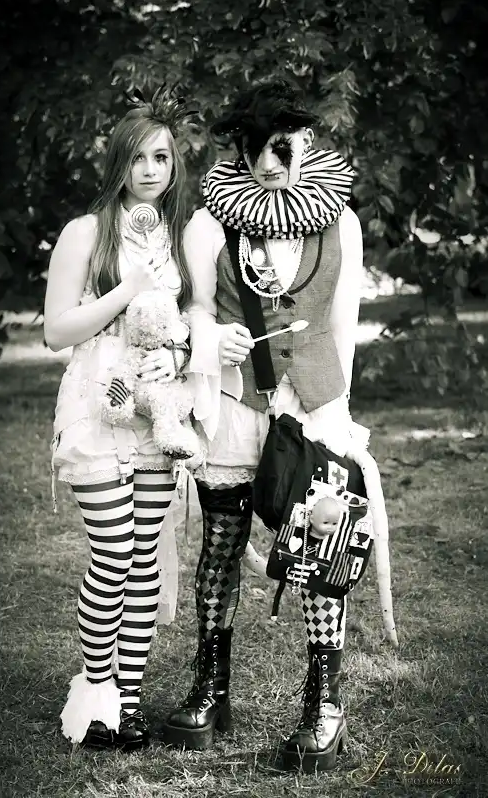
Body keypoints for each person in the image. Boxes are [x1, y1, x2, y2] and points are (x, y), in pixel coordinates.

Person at [162, 77, 370, 771]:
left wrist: (336, 415)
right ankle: (210, 687)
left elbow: (343, 325)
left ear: (307, 142)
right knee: (221, 546)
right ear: (243, 147)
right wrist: (206, 338)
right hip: (233, 405)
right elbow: (194, 307)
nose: (277, 160)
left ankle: (324, 706)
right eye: (264, 146)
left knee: (322, 551)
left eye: (289, 144)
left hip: (312, 409)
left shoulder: (339, 221)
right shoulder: (208, 223)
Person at [44, 85, 195, 751]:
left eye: (161, 157)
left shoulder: (177, 238)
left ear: (174, 164)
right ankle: (95, 697)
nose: (150, 170)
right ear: (119, 163)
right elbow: (55, 330)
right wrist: (127, 289)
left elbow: (187, 323)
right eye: (137, 157)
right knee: (112, 553)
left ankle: (127, 703)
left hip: (155, 412)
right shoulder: (85, 232)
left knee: (144, 562)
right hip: (96, 406)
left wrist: (180, 353)